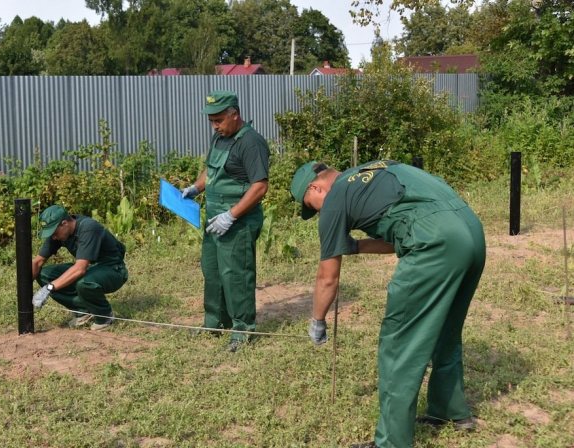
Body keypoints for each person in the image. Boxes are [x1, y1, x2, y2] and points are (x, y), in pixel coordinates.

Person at [290, 160, 486, 448]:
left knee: (399, 343)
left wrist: (317, 319)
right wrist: (356, 246)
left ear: (316, 187)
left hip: (436, 244)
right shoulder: (372, 171)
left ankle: (392, 442)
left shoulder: (334, 200)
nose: (319, 211)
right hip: (470, 233)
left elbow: (327, 278)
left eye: (312, 204)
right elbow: (401, 236)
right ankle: (450, 410)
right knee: (445, 327)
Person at [181, 90, 269, 352]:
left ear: (234, 114)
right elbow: (211, 170)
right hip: (213, 217)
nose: (214, 125)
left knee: (236, 274)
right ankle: (215, 321)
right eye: (211, 121)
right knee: (212, 270)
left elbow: (260, 186)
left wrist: (231, 215)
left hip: (237, 220)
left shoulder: (251, 142)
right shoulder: (219, 137)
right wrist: (195, 189)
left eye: (219, 120)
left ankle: (242, 330)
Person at [31, 204, 128, 331]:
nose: (53, 237)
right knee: (44, 274)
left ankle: (104, 316)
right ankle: (83, 310)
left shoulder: (88, 228)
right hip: (90, 269)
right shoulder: (58, 233)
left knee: (84, 282)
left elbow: (80, 269)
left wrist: (48, 288)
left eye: (54, 233)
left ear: (64, 223)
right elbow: (38, 262)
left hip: (112, 269)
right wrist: (24, 290)